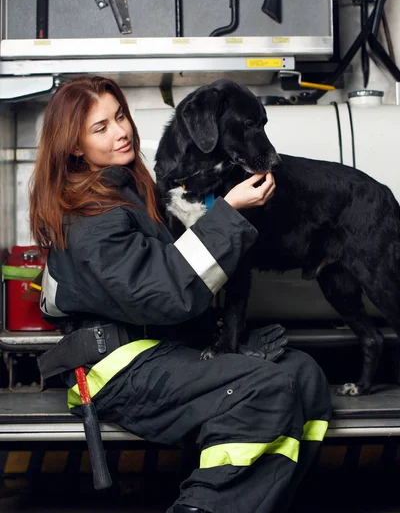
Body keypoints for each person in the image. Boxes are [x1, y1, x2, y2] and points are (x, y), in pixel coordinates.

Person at [30, 76, 332, 513]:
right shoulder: (88, 212)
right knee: (265, 388)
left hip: (160, 349)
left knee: (302, 373)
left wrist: (229, 345)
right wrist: (228, 213)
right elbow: (163, 291)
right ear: (75, 147)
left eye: (120, 116)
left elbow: (170, 283)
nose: (121, 131)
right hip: (114, 370)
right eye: (101, 128)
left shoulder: (131, 192)